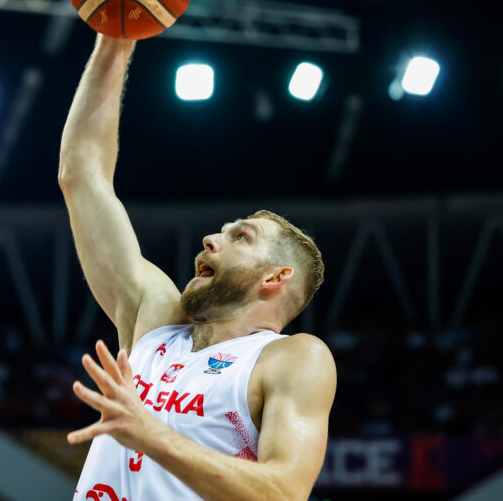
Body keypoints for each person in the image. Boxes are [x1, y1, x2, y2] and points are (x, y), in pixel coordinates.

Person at [58, 34, 337, 501]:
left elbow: (285, 491)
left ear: (276, 277)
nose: (212, 238)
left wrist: (153, 437)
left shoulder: (291, 358)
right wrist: (116, 37)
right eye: (222, 230)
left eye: (240, 237)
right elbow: (82, 172)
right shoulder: (156, 320)